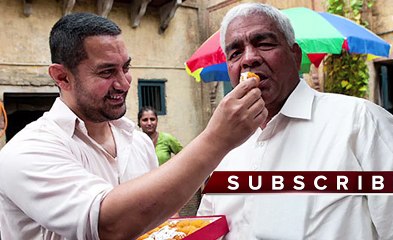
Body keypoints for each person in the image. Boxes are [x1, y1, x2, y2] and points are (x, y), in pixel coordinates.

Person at [0, 12, 267, 240]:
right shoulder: (25, 152)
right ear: (62, 77)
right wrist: (217, 138)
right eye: (106, 72)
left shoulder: (137, 141)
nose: (124, 83)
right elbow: (108, 224)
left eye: (125, 67)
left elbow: (158, 216)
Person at [197, 3, 393, 240]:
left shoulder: (361, 122)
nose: (249, 58)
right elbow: (206, 227)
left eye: (264, 43)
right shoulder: (227, 147)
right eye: (235, 53)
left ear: (295, 56)